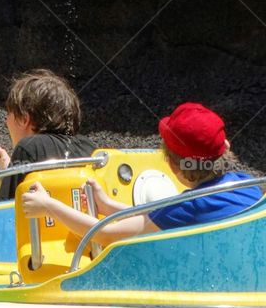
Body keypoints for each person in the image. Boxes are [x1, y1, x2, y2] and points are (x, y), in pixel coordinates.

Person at [22, 102, 262, 246]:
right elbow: (158, 214)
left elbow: (104, 234)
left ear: (173, 164)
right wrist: (107, 205)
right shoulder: (246, 185)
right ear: (226, 147)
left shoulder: (189, 206)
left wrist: (48, 206)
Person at [0, 69, 96, 203]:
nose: (6, 121)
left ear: (24, 119)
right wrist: (10, 170)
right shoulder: (89, 147)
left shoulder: (28, 148)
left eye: (9, 113)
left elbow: (1, 221)